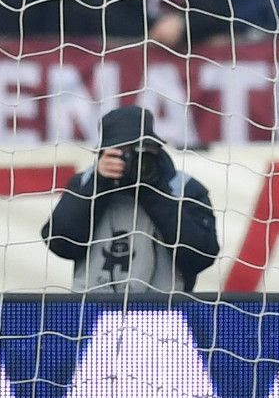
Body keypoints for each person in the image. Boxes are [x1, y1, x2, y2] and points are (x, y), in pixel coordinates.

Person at [41, 107, 219, 293]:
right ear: (104, 153)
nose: (134, 161)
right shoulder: (86, 184)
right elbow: (60, 244)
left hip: (165, 313)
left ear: (156, 149)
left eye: (143, 150)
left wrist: (151, 190)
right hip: (94, 309)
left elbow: (202, 257)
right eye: (123, 153)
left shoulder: (183, 188)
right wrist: (99, 184)